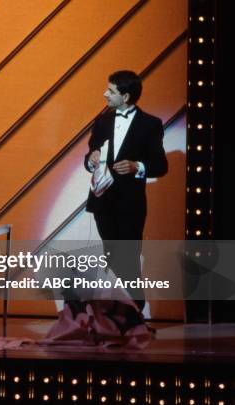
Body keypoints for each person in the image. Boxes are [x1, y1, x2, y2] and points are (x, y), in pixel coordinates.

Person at [84, 70, 168, 311]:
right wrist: (92, 159)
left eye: (110, 91)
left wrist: (137, 166)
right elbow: (88, 156)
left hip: (130, 204)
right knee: (112, 255)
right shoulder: (102, 121)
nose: (105, 94)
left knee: (128, 257)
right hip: (103, 201)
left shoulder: (150, 124)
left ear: (127, 96)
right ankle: (126, 313)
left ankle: (135, 308)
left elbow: (161, 165)